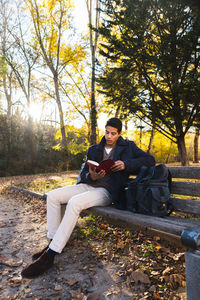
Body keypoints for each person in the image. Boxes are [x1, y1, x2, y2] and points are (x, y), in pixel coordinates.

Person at [21, 117, 155, 278]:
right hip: (89, 185)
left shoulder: (129, 147)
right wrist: (91, 176)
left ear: (119, 134)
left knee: (75, 202)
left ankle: (49, 256)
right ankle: (52, 242)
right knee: (53, 196)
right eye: (107, 132)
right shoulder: (94, 149)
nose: (109, 136)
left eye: (113, 133)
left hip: (107, 192)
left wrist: (126, 164)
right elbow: (84, 173)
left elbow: (150, 160)